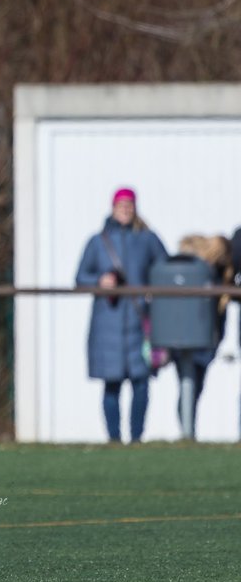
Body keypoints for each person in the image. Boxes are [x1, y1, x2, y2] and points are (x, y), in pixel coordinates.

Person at [75, 187, 168, 444]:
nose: (125, 209)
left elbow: (164, 269)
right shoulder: (97, 242)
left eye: (129, 205)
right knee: (111, 384)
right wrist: (100, 280)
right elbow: (80, 278)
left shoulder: (148, 239)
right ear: (113, 208)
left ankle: (137, 438)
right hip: (107, 323)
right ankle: (114, 439)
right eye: (121, 205)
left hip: (139, 322)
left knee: (141, 382)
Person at [164, 234, 229, 436]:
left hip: (203, 339)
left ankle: (188, 432)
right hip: (191, 337)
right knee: (189, 385)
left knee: (193, 387)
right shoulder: (196, 271)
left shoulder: (214, 273)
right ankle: (187, 433)